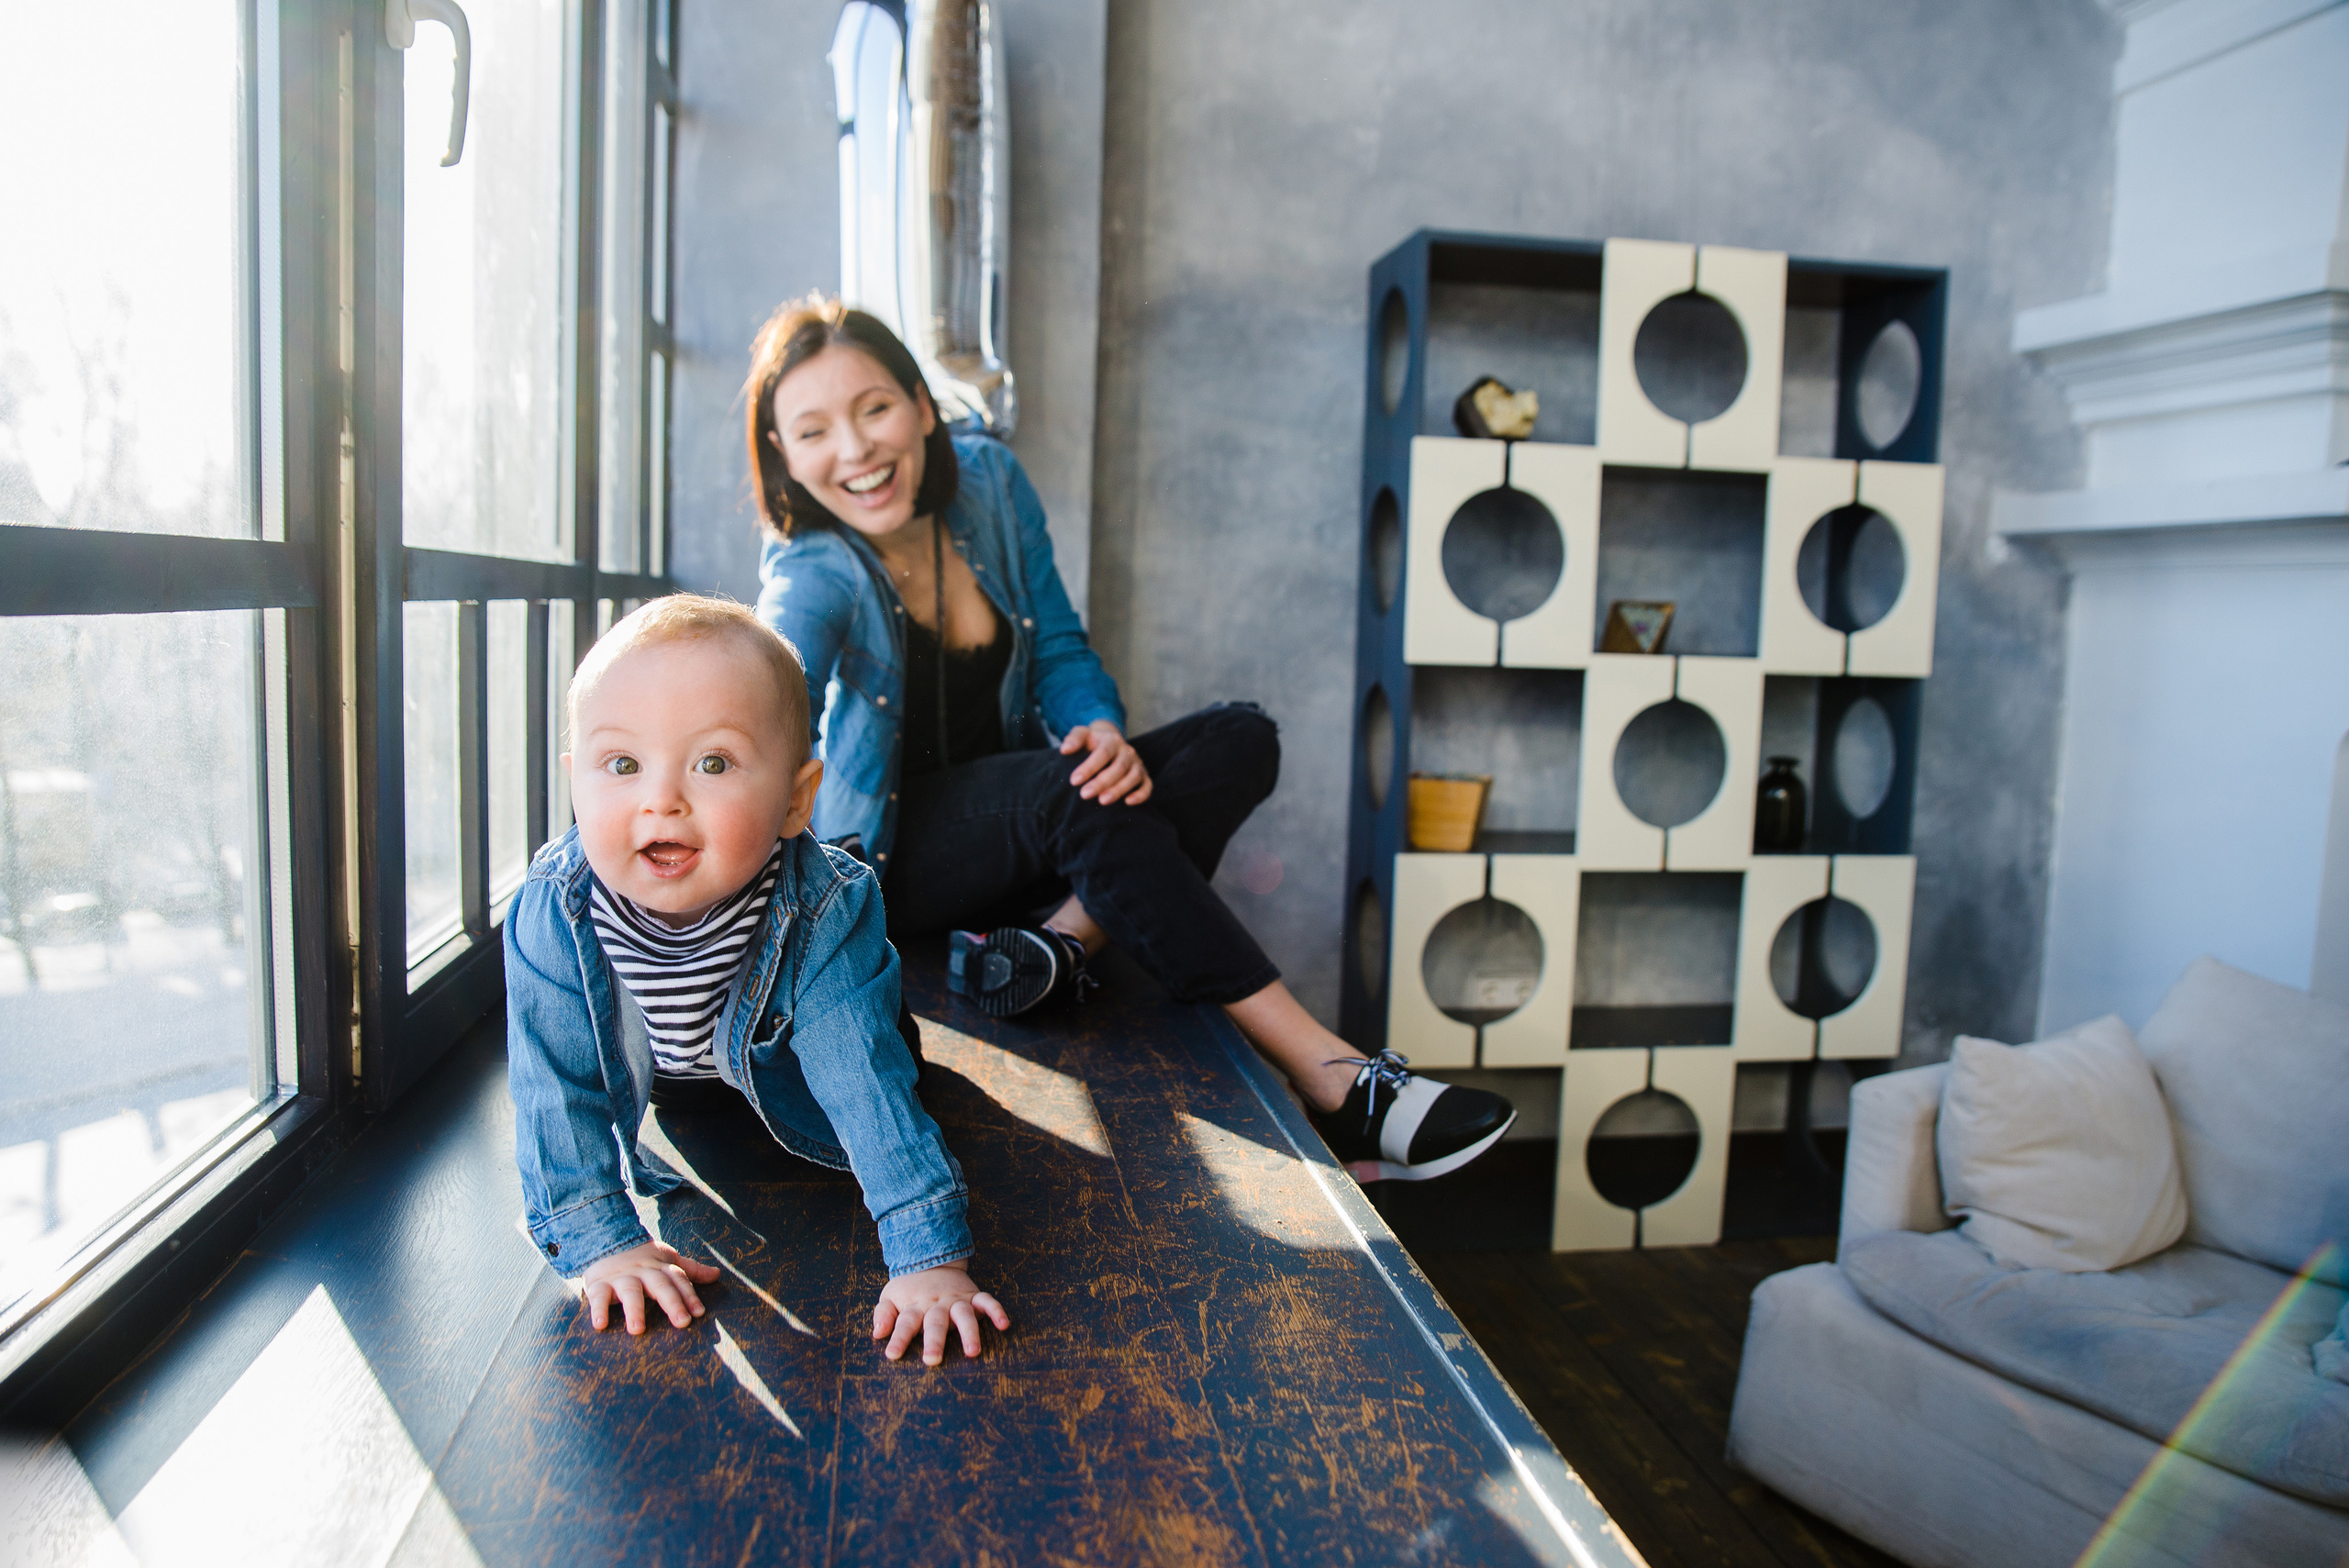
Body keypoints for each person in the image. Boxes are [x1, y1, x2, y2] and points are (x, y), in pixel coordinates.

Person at [747, 296, 1517, 1183]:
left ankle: (1060, 944)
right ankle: (1335, 1078)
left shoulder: (992, 485)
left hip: (1032, 835)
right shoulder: (812, 567)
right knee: (1068, 791)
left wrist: (1099, 729)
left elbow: (1062, 648)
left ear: (922, 406)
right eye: (812, 431)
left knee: (1237, 739)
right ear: (784, 456)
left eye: (874, 408)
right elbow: (771, 691)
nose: (855, 450)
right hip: (898, 860)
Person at [504, 594, 1008, 1365]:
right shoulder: (552, 909)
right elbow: (554, 1087)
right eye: (622, 764)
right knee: (673, 1107)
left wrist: (927, 1257)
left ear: (796, 799)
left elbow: (861, 1080)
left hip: (803, 1056)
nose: (660, 797)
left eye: (712, 763)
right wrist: (601, 1244)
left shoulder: (825, 906)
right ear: (576, 781)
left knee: (886, 1067)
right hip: (674, 1076)